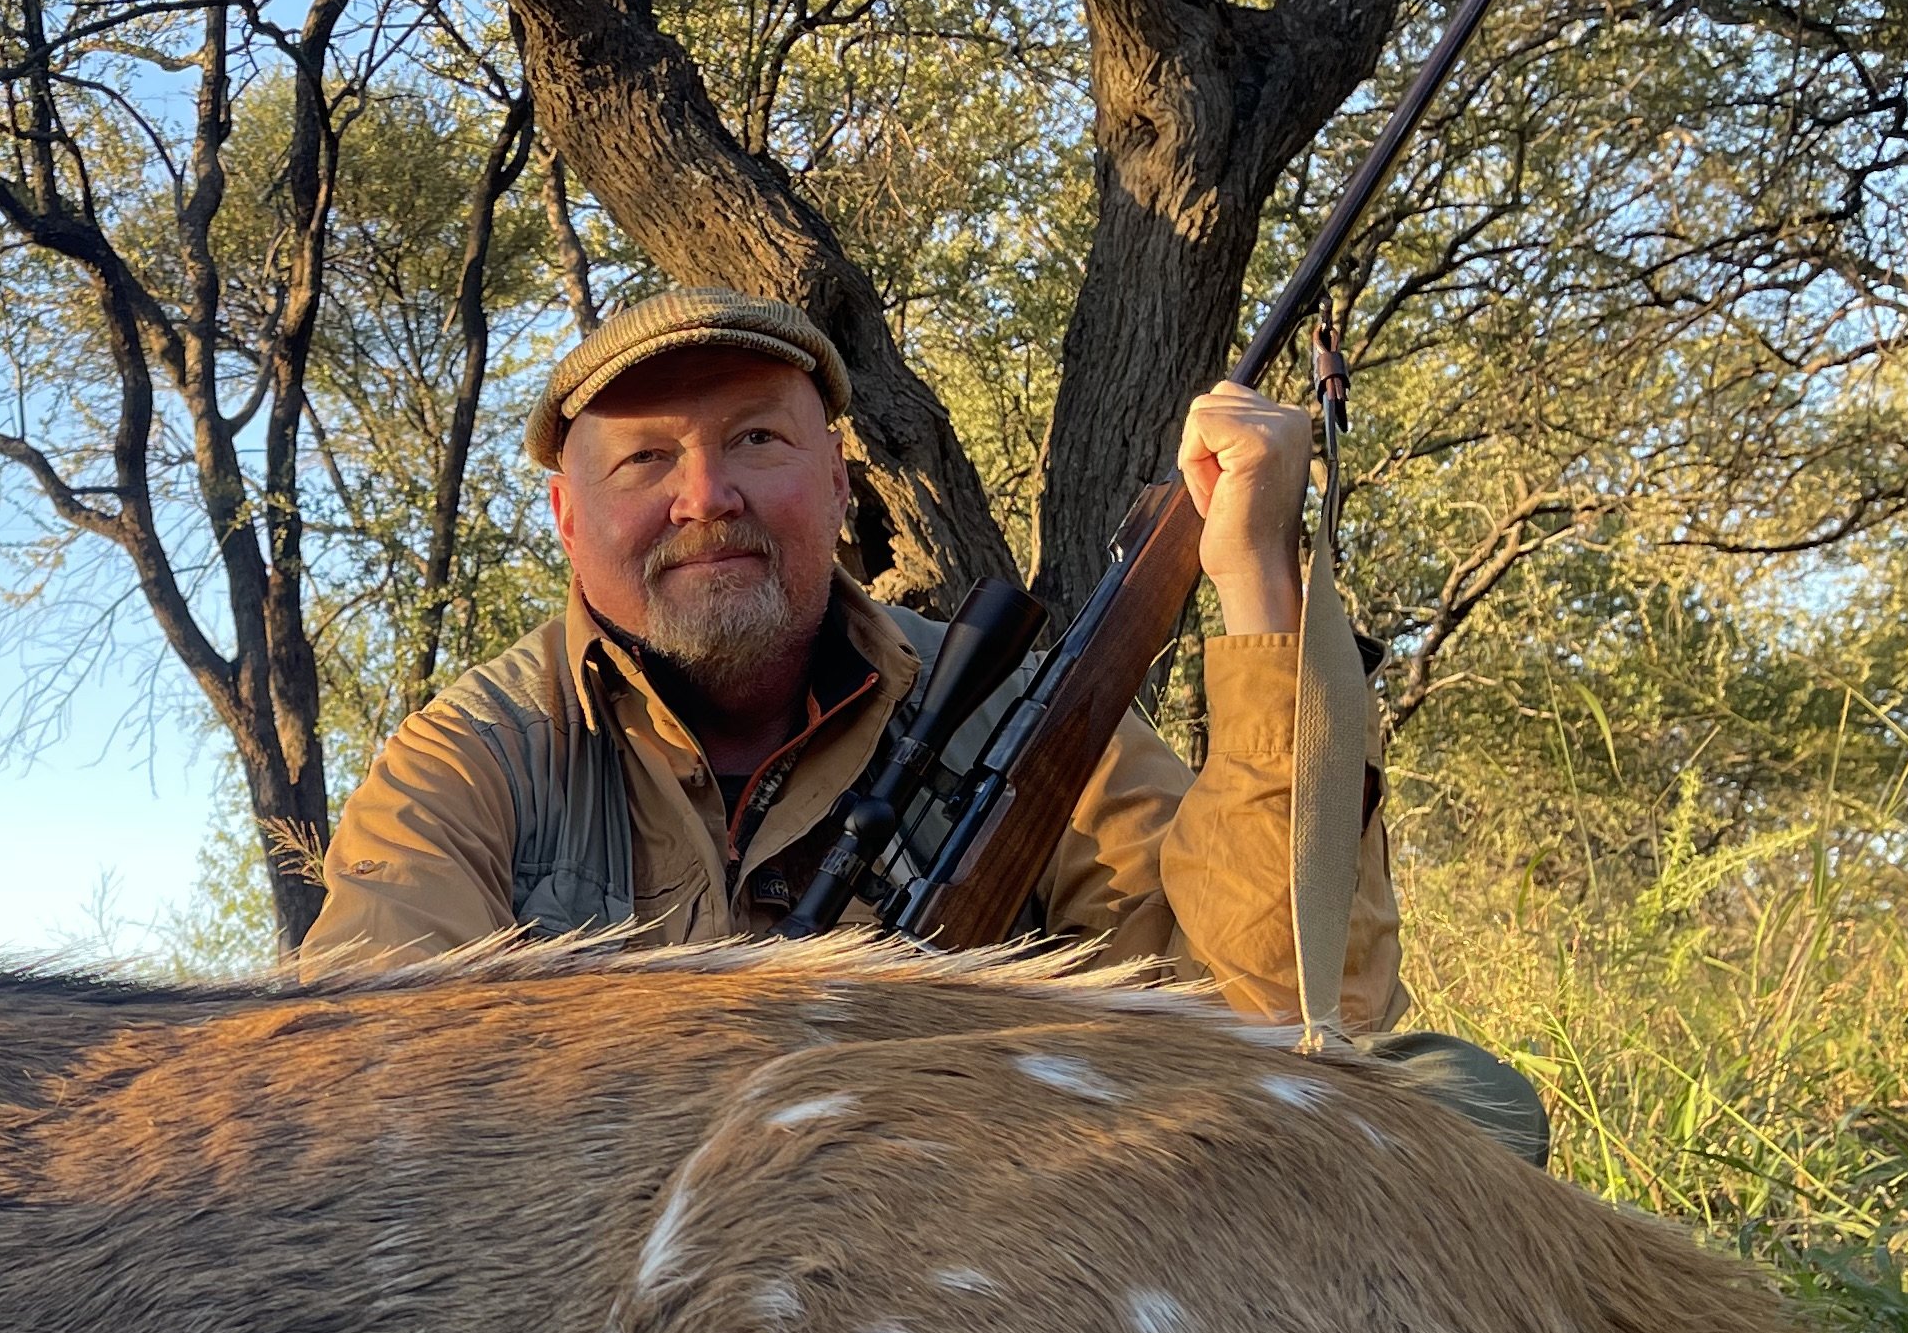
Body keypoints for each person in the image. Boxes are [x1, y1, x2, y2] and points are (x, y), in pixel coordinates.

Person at [303, 287, 1548, 1160]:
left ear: (838, 485)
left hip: (994, 1255)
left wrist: (1254, 586)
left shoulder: (1014, 709)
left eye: (755, 439)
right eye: (643, 462)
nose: (707, 497)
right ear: (571, 523)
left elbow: (1289, 1020)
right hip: (624, 1294)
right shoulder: (471, 759)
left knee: (1455, 1110)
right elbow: (370, 1117)